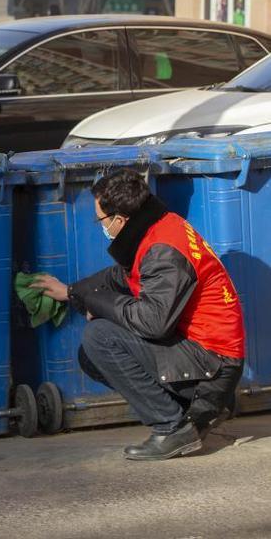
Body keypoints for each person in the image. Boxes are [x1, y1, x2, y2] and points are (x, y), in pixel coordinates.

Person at [30, 169, 245, 461]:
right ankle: (199, 411)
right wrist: (71, 292)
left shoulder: (164, 251)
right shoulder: (159, 227)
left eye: (101, 220)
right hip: (204, 356)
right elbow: (121, 277)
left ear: (120, 219)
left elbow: (153, 323)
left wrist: (100, 304)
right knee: (91, 356)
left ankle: (173, 428)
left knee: (100, 337)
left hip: (213, 365)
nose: (100, 226)